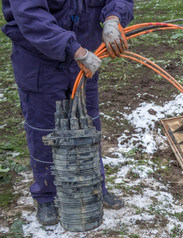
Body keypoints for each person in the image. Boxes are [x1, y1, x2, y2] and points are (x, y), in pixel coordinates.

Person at [2, 0, 134, 225]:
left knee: (89, 126)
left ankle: (94, 186)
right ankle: (46, 195)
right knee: (45, 132)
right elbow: (30, 15)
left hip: (83, 59)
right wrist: (74, 49)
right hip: (39, 61)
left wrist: (113, 18)